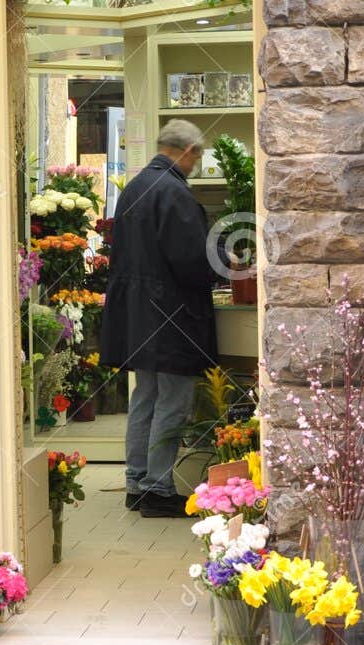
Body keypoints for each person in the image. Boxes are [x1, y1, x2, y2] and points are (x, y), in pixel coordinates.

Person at [100, 119, 222, 518]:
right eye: (197, 157)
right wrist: (223, 268)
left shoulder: (135, 187)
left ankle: (136, 483)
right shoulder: (174, 193)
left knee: (146, 397)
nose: (196, 165)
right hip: (171, 315)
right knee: (173, 400)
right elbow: (190, 261)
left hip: (138, 315)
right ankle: (158, 488)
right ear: (187, 151)